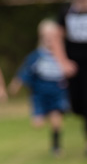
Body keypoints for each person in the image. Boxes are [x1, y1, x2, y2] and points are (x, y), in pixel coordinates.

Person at [9, 20, 70, 156]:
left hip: (57, 93)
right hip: (39, 94)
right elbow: (25, 72)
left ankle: (56, 147)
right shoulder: (37, 56)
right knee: (38, 124)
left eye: (52, 36)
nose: (49, 39)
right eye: (45, 36)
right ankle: (43, 114)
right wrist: (16, 84)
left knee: (56, 121)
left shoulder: (63, 55)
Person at [53, 0, 87, 154]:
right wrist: (63, 62)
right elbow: (57, 38)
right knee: (78, 105)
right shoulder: (66, 12)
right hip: (75, 66)